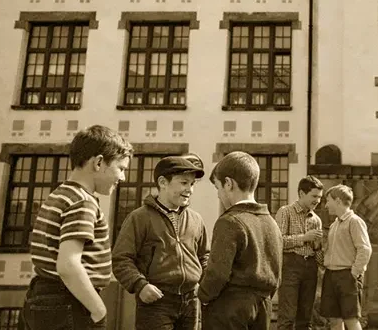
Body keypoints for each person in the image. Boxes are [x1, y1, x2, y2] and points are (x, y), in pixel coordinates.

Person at [22, 125, 133, 329]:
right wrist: (98, 310)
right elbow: (68, 265)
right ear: (99, 162)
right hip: (69, 300)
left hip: (42, 294)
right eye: (121, 168)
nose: (123, 178)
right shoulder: (83, 202)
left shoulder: (60, 194)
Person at [112, 155, 210, 330]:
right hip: (156, 303)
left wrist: (204, 285)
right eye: (184, 183)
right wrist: (140, 286)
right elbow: (121, 259)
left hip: (191, 303)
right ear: (163, 182)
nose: (190, 190)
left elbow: (204, 257)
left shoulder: (196, 220)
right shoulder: (139, 218)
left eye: (192, 184)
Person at [198, 152, 283, 330]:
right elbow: (276, 273)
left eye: (218, 188)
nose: (219, 195)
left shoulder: (229, 221)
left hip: (230, 308)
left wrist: (202, 295)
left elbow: (217, 273)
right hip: (263, 307)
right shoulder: (272, 223)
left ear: (229, 184)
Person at [275, 176, 325, 330]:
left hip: (310, 267)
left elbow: (318, 253)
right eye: (314, 196)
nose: (317, 200)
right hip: (290, 265)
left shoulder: (316, 219)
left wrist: (317, 248)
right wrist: (303, 238)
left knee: (306, 318)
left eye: (320, 197)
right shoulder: (285, 212)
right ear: (302, 194)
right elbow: (278, 242)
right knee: (287, 317)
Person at [320, 184, 372, 330]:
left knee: (351, 320)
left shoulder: (355, 221)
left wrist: (354, 273)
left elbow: (365, 249)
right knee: (334, 321)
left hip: (347, 276)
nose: (326, 205)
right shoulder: (334, 225)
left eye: (328, 200)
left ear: (337, 201)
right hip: (331, 275)